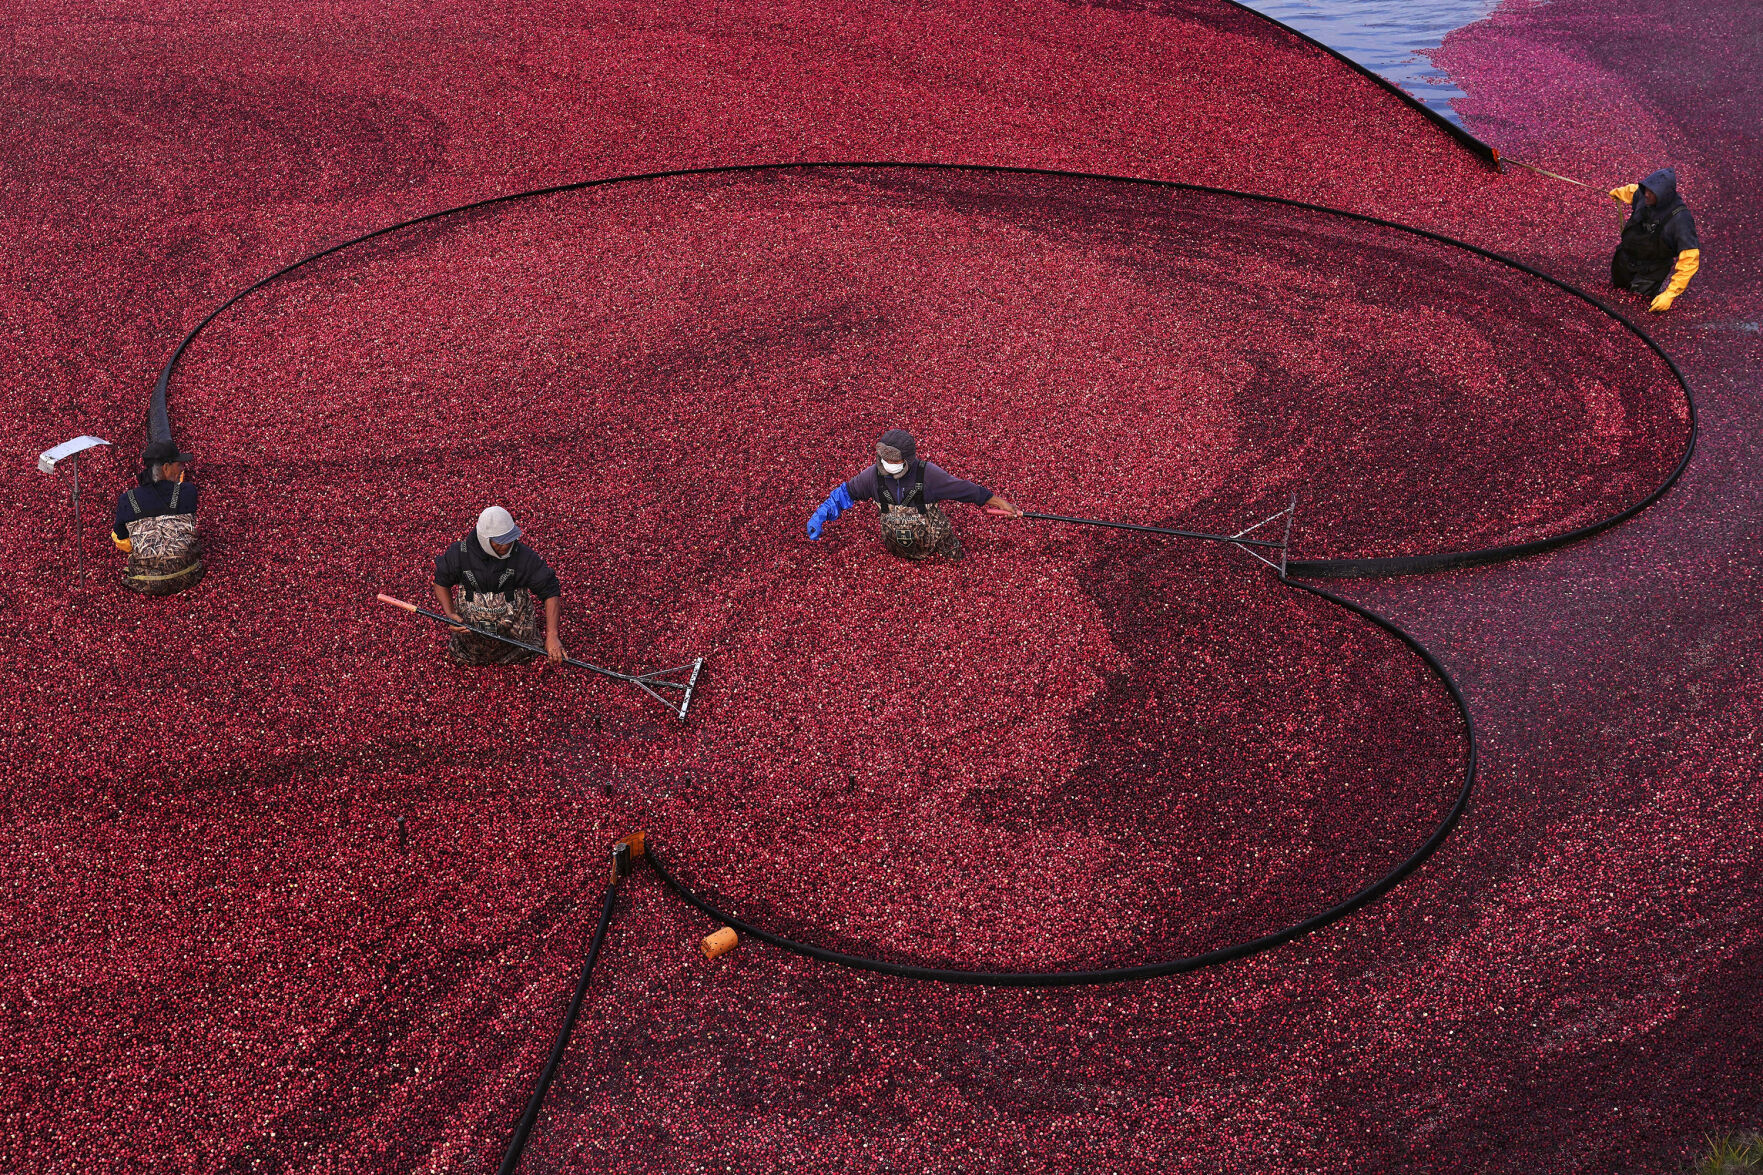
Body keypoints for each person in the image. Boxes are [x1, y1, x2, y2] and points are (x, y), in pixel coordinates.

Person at [806, 428, 1023, 560]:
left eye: (894, 460)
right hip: (895, 549)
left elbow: (965, 489)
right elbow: (845, 493)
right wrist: (821, 513)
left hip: (935, 547)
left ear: (907, 459)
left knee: (956, 557)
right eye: (884, 459)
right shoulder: (872, 476)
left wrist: (999, 502)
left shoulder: (928, 475)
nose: (888, 464)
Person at [432, 506, 566, 666]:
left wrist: (552, 635)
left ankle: (521, 651)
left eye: (510, 538)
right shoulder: (459, 554)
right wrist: (450, 613)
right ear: (484, 539)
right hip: (471, 630)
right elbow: (440, 582)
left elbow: (550, 589)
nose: (508, 544)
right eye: (501, 542)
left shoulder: (523, 556)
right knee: (465, 654)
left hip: (516, 632)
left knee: (526, 653)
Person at [112, 439, 204, 595]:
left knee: (117, 533)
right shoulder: (188, 491)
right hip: (189, 576)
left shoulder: (127, 499)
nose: (182, 468)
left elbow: (121, 537)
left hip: (144, 582)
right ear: (166, 467)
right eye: (178, 464)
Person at [1609, 168, 1700, 312]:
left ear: (1663, 195)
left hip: (1650, 272)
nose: (1646, 194)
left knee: (1634, 309)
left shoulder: (1681, 220)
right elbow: (1633, 192)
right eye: (1646, 189)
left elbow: (1690, 260)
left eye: (1652, 192)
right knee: (1613, 298)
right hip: (1624, 260)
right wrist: (1618, 192)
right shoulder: (1643, 195)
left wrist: (1670, 294)